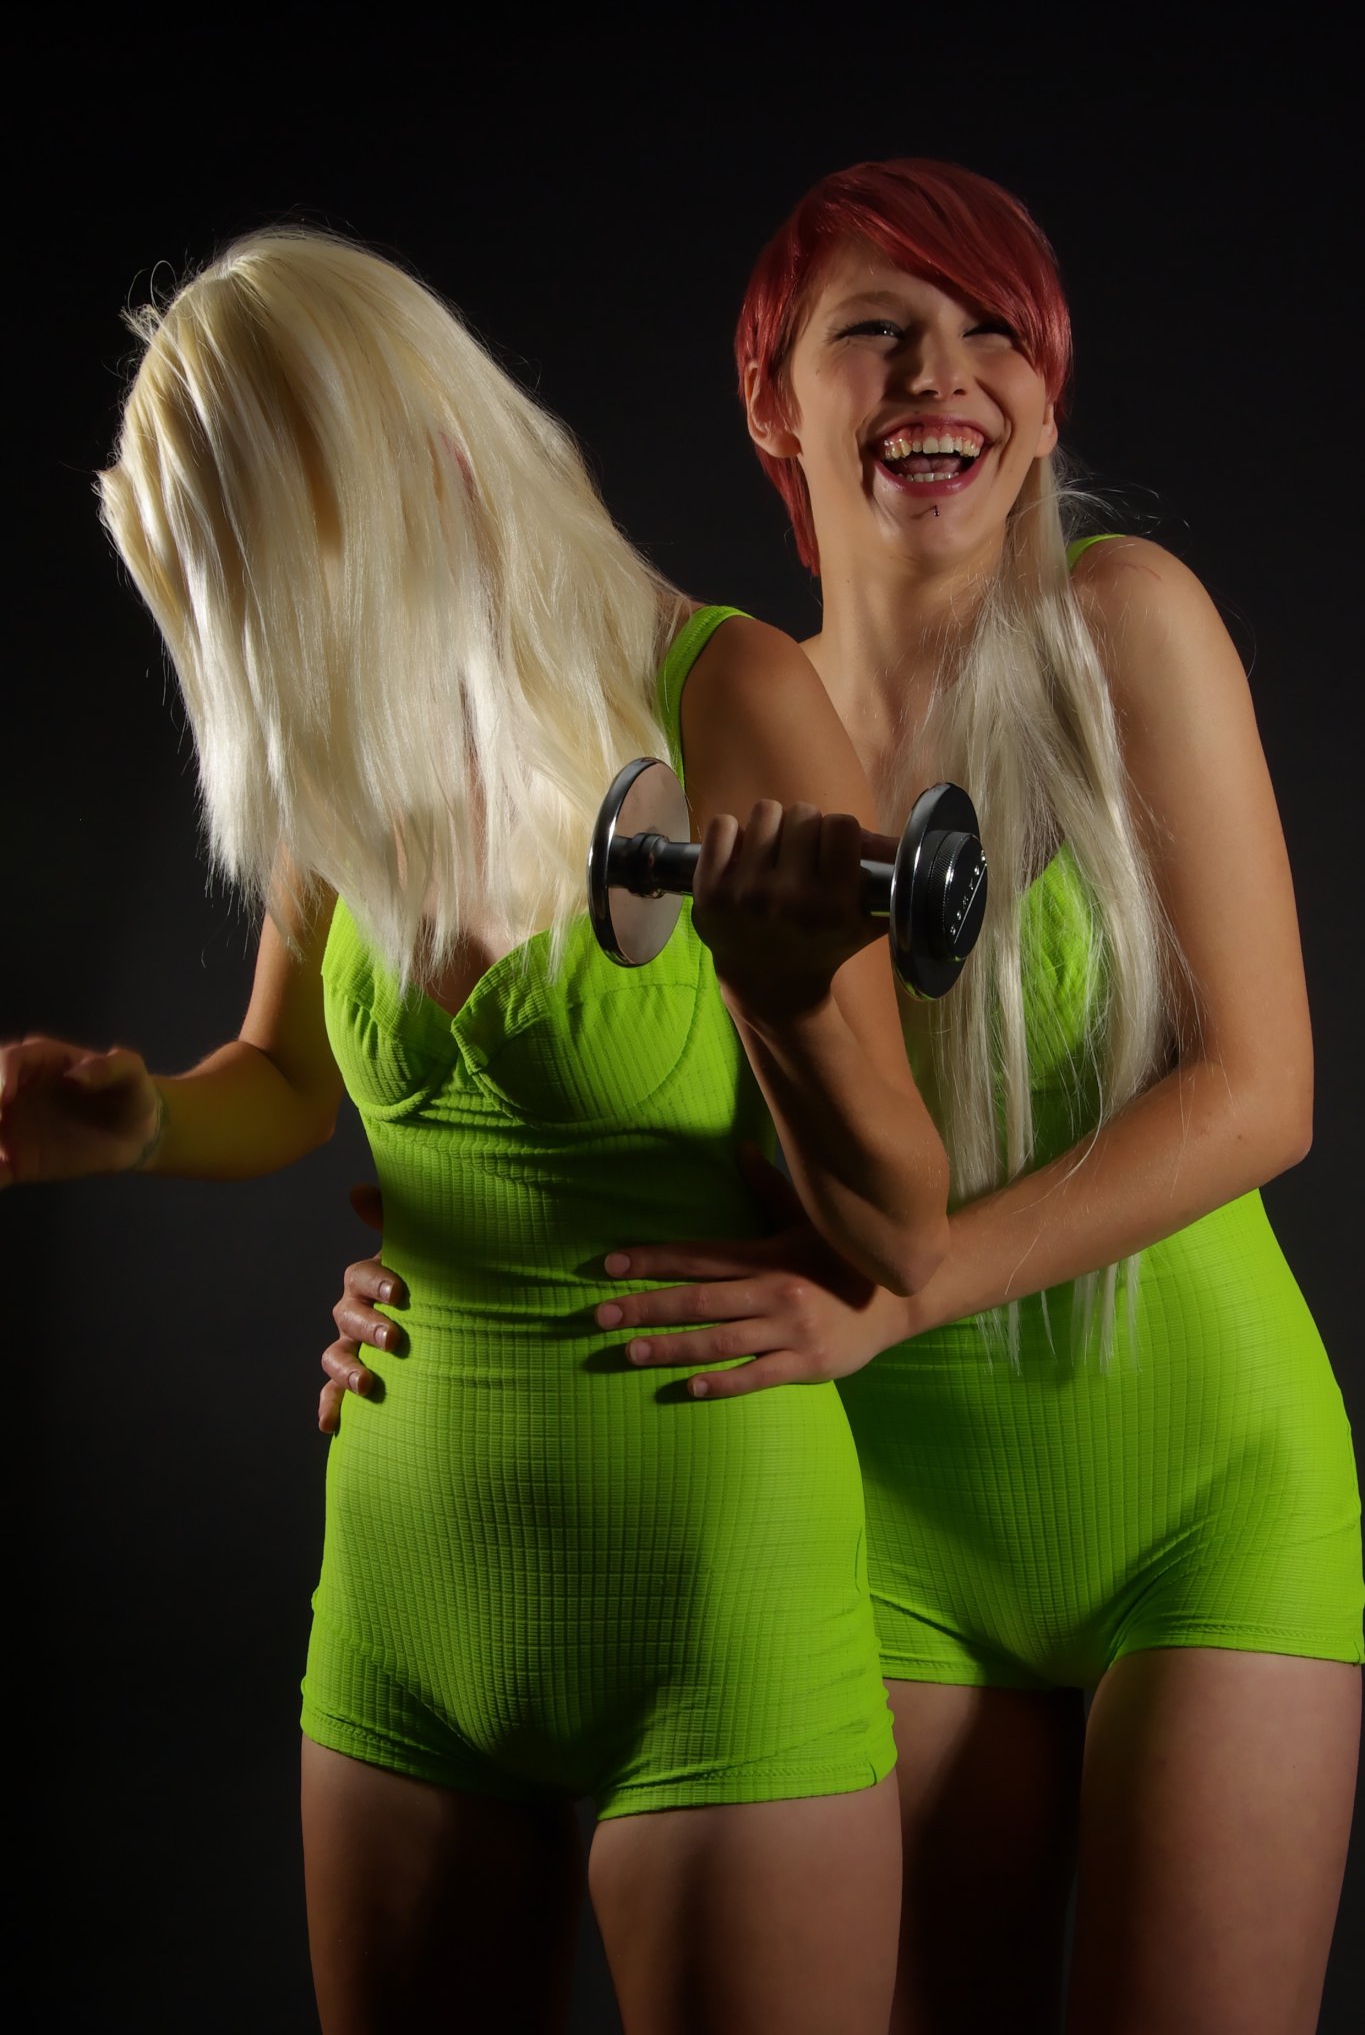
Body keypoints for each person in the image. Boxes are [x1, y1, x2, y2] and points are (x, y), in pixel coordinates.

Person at [319, 163, 1363, 2034]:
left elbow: (1260, 1093)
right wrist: (446, 1279)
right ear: (769, 403)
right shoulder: (716, 715)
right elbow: (627, 1119)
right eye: (873, 332)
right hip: (880, 1517)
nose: (937, 374)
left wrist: (901, 1292)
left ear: (1043, 390)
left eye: (990, 333)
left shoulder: (1124, 622)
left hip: (1199, 1492)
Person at [0, 228, 958, 2034]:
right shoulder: (344, 747)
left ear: (413, 463)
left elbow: (902, 1227)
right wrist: (142, 1128)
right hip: (404, 1602)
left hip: (711, 1595)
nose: (272, 649)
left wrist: (774, 995)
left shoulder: (724, 693)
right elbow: (287, 1077)